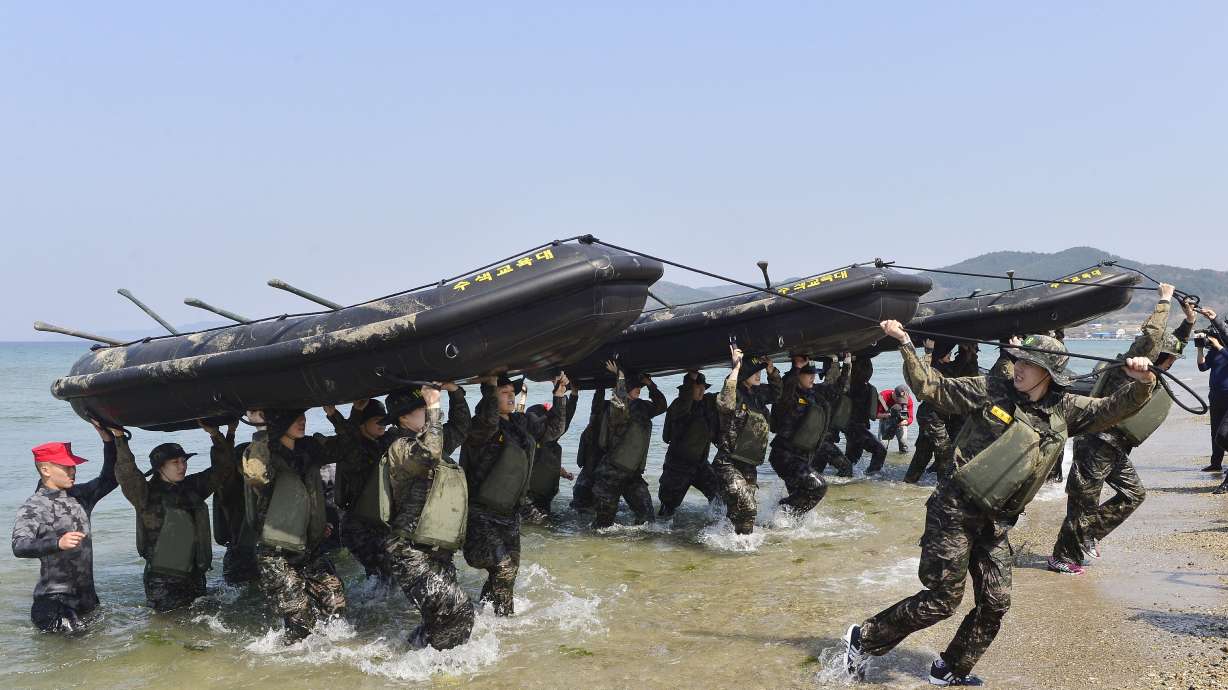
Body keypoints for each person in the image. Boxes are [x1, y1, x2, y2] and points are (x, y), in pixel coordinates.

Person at [843, 321, 1156, 686]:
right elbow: (932, 387)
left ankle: (951, 669)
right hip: (954, 513)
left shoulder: (1066, 410)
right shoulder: (991, 389)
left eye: (1027, 363)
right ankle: (863, 638)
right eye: (1015, 360)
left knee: (994, 603)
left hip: (996, 524)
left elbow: (1113, 409)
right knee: (944, 599)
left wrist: (1143, 383)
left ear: (1049, 374)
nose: (1017, 367)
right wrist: (906, 344)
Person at [1049, 285, 1195, 573]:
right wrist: (1164, 301)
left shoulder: (1157, 368)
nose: (1173, 362)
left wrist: (1189, 321)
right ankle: (1063, 557)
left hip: (1115, 447)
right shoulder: (1134, 365)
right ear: (1158, 355)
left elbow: (1174, 343)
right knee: (1083, 503)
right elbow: (1153, 337)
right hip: (1095, 441)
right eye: (1170, 358)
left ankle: (1088, 535)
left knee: (1134, 495)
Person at [461, 373, 569, 615]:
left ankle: (491, 614)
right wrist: (489, 384)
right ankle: (504, 620)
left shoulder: (520, 422)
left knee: (508, 572)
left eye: (513, 392)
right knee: (504, 567)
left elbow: (553, 430)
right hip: (481, 514)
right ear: (491, 396)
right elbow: (489, 420)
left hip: (510, 513)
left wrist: (559, 396)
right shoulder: (481, 425)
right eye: (505, 393)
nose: (512, 397)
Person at [382, 385, 475, 650]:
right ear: (403, 418)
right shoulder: (400, 447)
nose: (429, 411)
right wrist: (434, 408)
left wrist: (456, 392)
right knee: (460, 610)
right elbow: (429, 455)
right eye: (421, 409)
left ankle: (415, 658)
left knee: (440, 617)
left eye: (427, 408)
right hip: (410, 550)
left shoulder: (431, 440)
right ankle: (441, 668)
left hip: (435, 549)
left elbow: (461, 427)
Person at [242, 408, 347, 643]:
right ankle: (290, 664)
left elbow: (346, 448)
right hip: (276, 553)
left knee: (335, 604)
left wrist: (334, 414)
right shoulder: (263, 453)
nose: (302, 420)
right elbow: (256, 477)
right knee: (301, 620)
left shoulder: (310, 449)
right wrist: (263, 432)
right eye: (295, 416)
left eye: (303, 414)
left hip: (310, 548)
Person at [12, 421, 120, 633]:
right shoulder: (35, 506)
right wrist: (57, 543)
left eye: (73, 465)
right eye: (66, 466)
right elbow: (19, 546)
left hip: (87, 599)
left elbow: (111, 478)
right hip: (54, 601)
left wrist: (109, 441)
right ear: (46, 469)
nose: (73, 471)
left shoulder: (80, 496)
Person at [114, 424, 236, 612]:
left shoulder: (193, 487)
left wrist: (218, 434)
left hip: (195, 576)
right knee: (169, 628)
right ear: (160, 468)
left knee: (199, 625)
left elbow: (224, 468)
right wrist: (120, 438)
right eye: (175, 463)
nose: (182, 466)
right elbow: (127, 473)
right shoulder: (144, 495)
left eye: (184, 461)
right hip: (163, 581)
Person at [768, 353, 850, 519]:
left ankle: (782, 523)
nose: (813, 377)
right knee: (818, 486)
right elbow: (786, 388)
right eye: (808, 374)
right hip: (785, 456)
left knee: (801, 499)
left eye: (814, 374)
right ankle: (779, 512)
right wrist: (796, 368)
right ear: (798, 376)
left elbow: (837, 389)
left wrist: (847, 365)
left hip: (803, 457)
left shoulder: (815, 392)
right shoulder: (789, 395)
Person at [711, 345, 782, 535]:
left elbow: (777, 394)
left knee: (743, 514)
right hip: (728, 463)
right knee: (748, 507)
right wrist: (735, 368)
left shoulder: (757, 395)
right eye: (754, 372)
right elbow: (725, 402)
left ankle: (738, 546)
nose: (758, 375)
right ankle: (732, 544)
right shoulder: (735, 394)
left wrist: (771, 371)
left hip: (748, 463)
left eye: (759, 372)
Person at [590, 362, 667, 528]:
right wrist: (620, 376)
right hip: (611, 473)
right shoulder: (616, 408)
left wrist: (650, 385)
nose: (639, 389)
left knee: (648, 520)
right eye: (635, 387)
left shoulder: (642, 407)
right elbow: (619, 403)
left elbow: (661, 406)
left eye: (640, 387)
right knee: (603, 525)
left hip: (632, 474)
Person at [321, 398, 391, 580]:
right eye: (377, 419)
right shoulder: (350, 450)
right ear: (362, 423)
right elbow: (351, 442)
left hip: (380, 524)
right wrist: (342, 414)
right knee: (384, 574)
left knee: (388, 577)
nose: (383, 423)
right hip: (358, 528)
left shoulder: (384, 443)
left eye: (385, 419)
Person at [658, 371, 721, 517]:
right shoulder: (678, 406)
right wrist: (691, 379)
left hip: (700, 465)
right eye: (696, 387)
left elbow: (726, 395)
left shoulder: (707, 404)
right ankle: (660, 537)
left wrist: (736, 372)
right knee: (667, 508)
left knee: (719, 495)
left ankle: (719, 526)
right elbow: (666, 437)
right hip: (677, 466)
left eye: (703, 387)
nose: (701, 390)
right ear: (687, 388)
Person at [212, 411, 264, 585]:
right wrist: (227, 434)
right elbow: (223, 464)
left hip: (253, 555)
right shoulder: (230, 490)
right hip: (241, 558)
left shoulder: (260, 485)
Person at [524, 391, 579, 518]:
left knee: (542, 519)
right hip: (532, 496)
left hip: (544, 494)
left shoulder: (549, 440)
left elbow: (565, 420)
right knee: (539, 520)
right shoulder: (530, 442)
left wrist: (574, 396)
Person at [843, 358, 888, 474]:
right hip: (858, 429)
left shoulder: (847, 386)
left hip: (848, 428)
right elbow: (872, 415)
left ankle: (844, 480)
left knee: (851, 460)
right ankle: (871, 477)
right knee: (880, 450)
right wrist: (886, 415)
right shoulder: (870, 389)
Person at [568, 387, 606, 512]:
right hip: (598, 485)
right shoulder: (611, 435)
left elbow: (580, 462)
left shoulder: (587, 433)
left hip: (581, 485)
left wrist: (600, 390)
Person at [877, 385, 914, 453]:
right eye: (898, 399)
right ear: (893, 393)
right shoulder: (883, 396)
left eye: (902, 401)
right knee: (882, 446)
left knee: (903, 445)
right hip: (885, 420)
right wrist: (887, 415)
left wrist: (905, 422)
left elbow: (911, 418)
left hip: (900, 422)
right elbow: (875, 415)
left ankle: (902, 462)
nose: (900, 402)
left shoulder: (908, 400)